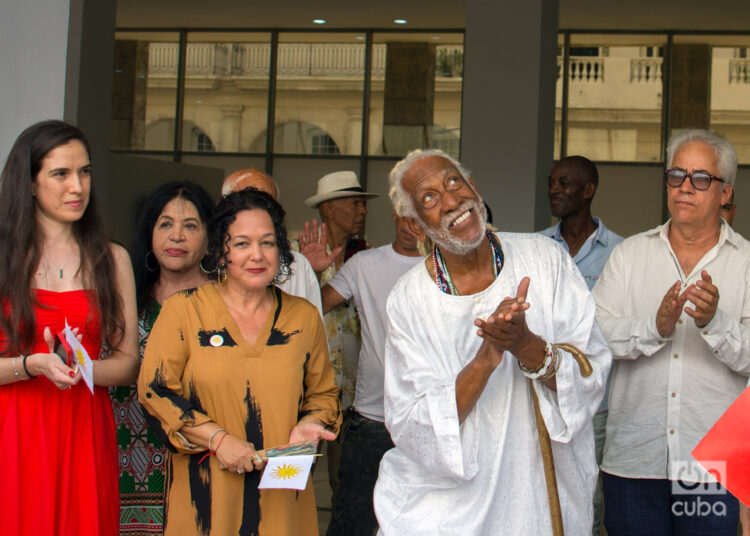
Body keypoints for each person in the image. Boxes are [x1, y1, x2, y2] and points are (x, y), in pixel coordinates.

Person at [372, 148, 611, 534]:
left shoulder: (545, 259)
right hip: (450, 511)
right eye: (430, 198)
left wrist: (527, 345)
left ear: (475, 189)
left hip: (537, 498)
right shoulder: (409, 299)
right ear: (417, 227)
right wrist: (486, 359)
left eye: (454, 182)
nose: (452, 200)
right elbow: (412, 425)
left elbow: (591, 369)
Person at [137, 188, 340, 536]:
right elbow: (154, 390)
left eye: (268, 242)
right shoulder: (184, 311)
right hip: (206, 492)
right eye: (242, 243)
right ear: (221, 251)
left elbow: (324, 394)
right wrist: (217, 439)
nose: (256, 255)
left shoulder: (302, 317)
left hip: (282, 491)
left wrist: (311, 424)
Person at [593, 129, 750, 535]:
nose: (685, 187)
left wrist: (714, 322)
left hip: (711, 463)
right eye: (676, 175)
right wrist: (655, 327)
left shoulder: (747, 263)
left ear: (725, 192)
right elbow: (593, 335)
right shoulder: (630, 255)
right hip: (633, 460)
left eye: (700, 178)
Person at [0, 120, 140, 535]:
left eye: (85, 172)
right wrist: (31, 365)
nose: (77, 187)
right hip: (14, 432)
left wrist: (83, 369)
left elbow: (129, 363)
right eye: (60, 174)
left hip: (84, 429)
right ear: (28, 183)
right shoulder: (3, 260)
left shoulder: (113, 259)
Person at [110, 181, 214, 535]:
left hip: (201, 456)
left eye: (191, 226)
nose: (177, 236)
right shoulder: (124, 297)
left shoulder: (225, 303)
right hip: (123, 457)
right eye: (165, 224)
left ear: (208, 238)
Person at [324, 213, 424, 536]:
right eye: (407, 218)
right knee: (354, 516)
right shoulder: (365, 263)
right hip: (372, 415)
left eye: (422, 220)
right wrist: (310, 271)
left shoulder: (441, 268)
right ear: (395, 215)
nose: (413, 227)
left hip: (426, 416)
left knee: (420, 519)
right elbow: (314, 306)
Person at [539, 155, 623, 535]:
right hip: (545, 397)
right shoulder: (536, 249)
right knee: (544, 496)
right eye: (552, 182)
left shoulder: (621, 254)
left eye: (564, 183)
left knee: (590, 502)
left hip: (598, 404)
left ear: (588, 191)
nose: (554, 190)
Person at [299, 170, 378, 505]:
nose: (362, 211)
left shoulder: (367, 256)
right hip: (305, 388)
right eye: (354, 203)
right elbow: (288, 313)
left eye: (363, 204)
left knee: (344, 482)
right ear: (328, 209)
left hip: (350, 392)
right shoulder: (296, 256)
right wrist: (311, 271)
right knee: (292, 474)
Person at [222, 167, 323, 317]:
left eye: (267, 206)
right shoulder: (207, 267)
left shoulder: (298, 266)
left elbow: (314, 334)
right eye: (244, 204)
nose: (256, 212)